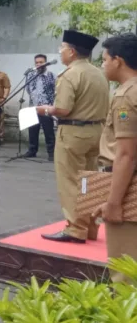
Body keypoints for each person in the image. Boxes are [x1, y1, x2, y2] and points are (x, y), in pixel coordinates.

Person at [35, 29, 109, 244]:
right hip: (96, 131)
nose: (61, 52)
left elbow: (63, 109)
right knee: (89, 181)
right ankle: (91, 228)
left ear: (72, 51)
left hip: (74, 133)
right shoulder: (98, 73)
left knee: (70, 181)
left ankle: (75, 229)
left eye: (63, 48)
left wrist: (45, 110)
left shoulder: (70, 74)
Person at [92, 33, 137, 281]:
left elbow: (127, 155)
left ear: (118, 60)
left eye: (105, 59)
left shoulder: (125, 96)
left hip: (129, 187)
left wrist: (113, 203)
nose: (103, 64)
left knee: (125, 272)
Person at [23, 54, 57, 160]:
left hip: (46, 107)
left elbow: (56, 91)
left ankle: (51, 153)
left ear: (46, 63)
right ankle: (32, 150)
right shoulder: (30, 75)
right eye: (37, 62)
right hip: (33, 106)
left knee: (48, 131)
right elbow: (28, 89)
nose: (38, 64)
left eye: (41, 62)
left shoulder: (51, 75)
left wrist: (48, 102)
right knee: (32, 130)